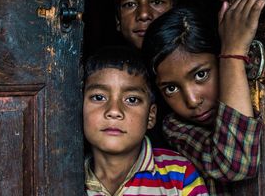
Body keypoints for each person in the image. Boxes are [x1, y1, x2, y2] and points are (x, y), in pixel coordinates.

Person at [141, 0, 265, 195]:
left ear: (218, 60)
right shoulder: (175, 128)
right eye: (171, 89)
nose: (192, 100)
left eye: (201, 75)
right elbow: (235, 164)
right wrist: (233, 53)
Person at [83, 46, 209, 195]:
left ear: (151, 116)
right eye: (99, 97)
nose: (114, 111)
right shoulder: (58, 174)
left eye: (131, 99)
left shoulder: (179, 175)